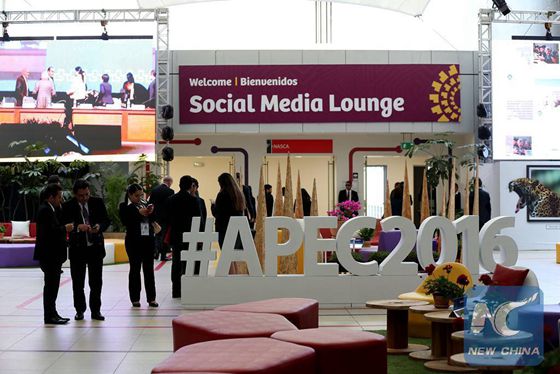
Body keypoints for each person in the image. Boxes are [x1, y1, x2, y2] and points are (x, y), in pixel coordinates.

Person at [63, 179, 110, 321]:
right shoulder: (68, 206)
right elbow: (65, 224)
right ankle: (80, 310)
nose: (84, 198)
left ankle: (96, 311)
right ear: (75, 194)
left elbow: (106, 221)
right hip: (77, 249)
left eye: (86, 195)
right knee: (78, 283)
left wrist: (99, 227)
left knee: (96, 282)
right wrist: (78, 227)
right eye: (81, 196)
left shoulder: (97, 202)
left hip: (95, 248)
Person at [33, 183, 73, 324]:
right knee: (50, 286)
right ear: (51, 197)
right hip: (49, 255)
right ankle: (49, 315)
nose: (61, 200)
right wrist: (65, 228)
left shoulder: (52, 209)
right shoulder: (45, 210)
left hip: (53, 255)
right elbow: (49, 232)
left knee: (53, 286)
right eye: (59, 197)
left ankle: (52, 313)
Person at [119, 184, 160, 308]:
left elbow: (153, 218)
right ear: (130, 195)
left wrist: (151, 211)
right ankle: (135, 298)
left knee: (149, 270)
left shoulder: (145, 204)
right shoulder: (125, 206)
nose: (139, 197)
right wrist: (138, 213)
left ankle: (151, 298)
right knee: (135, 270)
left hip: (147, 240)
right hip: (133, 242)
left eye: (141, 195)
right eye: (136, 195)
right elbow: (125, 221)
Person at [164, 176, 201, 298]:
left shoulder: (171, 199)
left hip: (176, 235)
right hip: (190, 235)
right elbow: (198, 219)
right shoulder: (193, 200)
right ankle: (190, 289)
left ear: (179, 185)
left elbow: (167, 218)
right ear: (191, 186)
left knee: (176, 263)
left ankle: (176, 291)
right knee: (190, 262)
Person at [211, 173, 246, 274]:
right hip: (237, 228)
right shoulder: (238, 194)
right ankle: (235, 277)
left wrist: (213, 205)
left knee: (226, 256)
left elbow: (217, 213)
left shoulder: (222, 194)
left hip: (224, 228)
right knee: (232, 256)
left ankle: (231, 279)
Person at [148, 176, 174, 261]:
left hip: (155, 217)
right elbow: (170, 206)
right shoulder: (170, 191)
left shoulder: (154, 190)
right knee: (164, 237)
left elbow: (150, 203)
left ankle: (155, 252)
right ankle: (163, 255)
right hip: (165, 218)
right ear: (169, 182)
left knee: (157, 235)